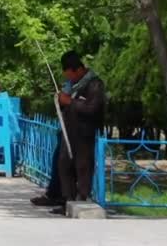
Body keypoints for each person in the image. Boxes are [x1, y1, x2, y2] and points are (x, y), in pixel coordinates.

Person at [52, 51, 106, 215]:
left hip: (84, 134)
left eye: (70, 75)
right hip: (69, 133)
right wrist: (61, 100)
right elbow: (64, 106)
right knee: (64, 165)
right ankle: (67, 201)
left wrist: (70, 102)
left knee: (83, 167)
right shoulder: (71, 86)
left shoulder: (94, 84)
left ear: (77, 70)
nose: (69, 79)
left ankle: (83, 198)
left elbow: (92, 108)